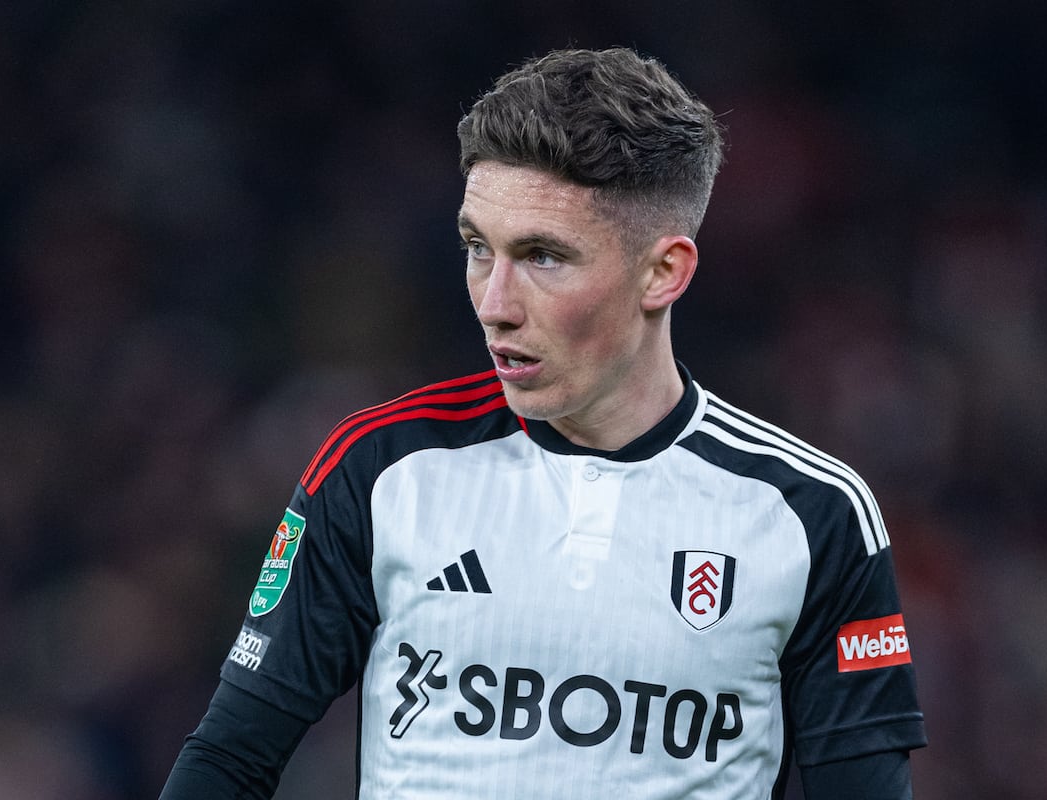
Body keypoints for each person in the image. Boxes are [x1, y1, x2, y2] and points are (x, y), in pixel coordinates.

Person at [160, 47, 926, 799]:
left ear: (664, 272)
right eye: (476, 249)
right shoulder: (379, 469)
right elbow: (229, 760)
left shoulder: (811, 513)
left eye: (543, 257)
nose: (495, 303)